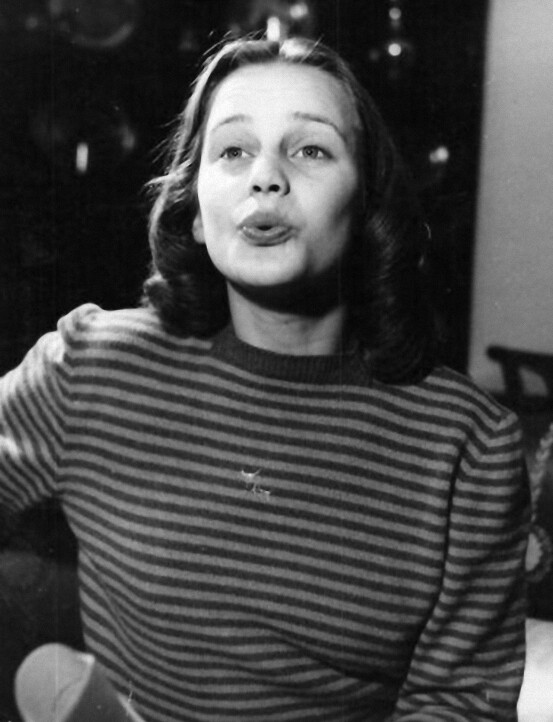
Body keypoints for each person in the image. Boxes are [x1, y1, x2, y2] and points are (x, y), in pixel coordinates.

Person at [0, 35, 529, 722]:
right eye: (232, 151)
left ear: (367, 205)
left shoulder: (467, 443)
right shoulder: (91, 367)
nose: (266, 177)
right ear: (196, 208)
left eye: (310, 150)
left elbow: (460, 704)